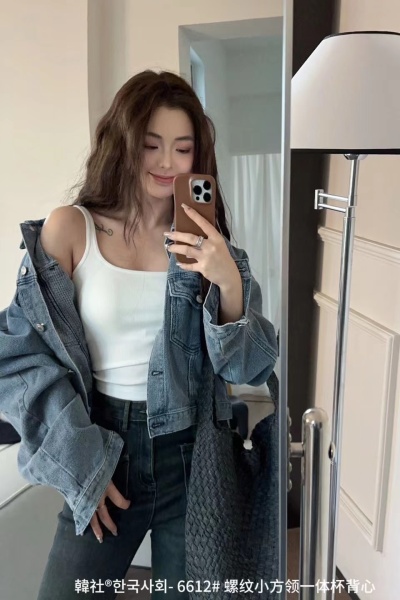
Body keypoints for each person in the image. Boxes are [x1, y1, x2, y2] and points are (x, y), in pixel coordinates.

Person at [0, 70, 278, 599]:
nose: (167, 162)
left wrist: (228, 283)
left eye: (182, 148)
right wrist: (80, 463)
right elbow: (21, 356)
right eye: (151, 145)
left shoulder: (209, 247)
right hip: (104, 448)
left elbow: (249, 368)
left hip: (194, 458)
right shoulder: (71, 229)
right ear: (123, 143)